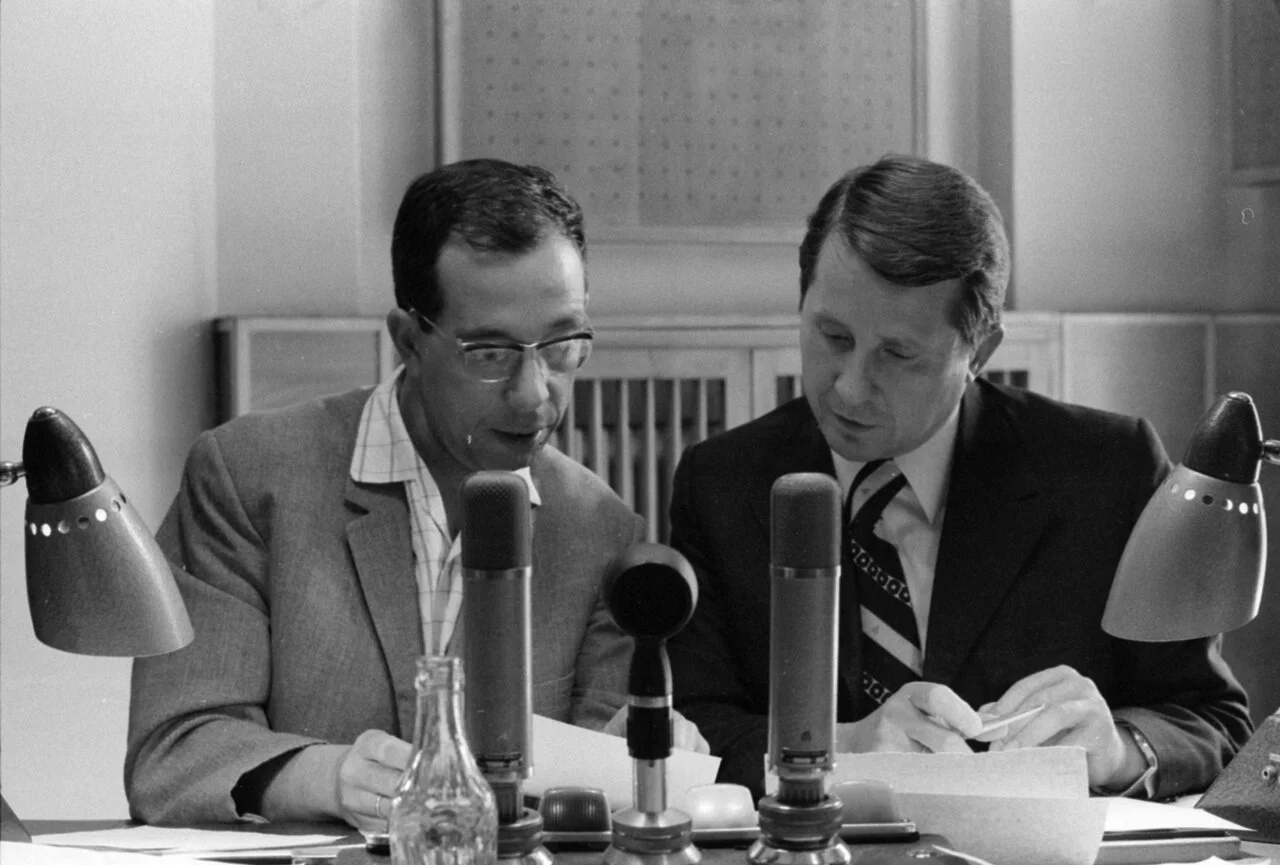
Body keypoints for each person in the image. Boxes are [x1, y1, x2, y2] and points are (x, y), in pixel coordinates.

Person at [126, 158, 703, 831]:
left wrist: (638, 752)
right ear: (409, 339)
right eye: (489, 353)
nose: (533, 394)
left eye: (560, 344)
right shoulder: (250, 478)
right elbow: (174, 753)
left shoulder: (598, 528)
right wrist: (326, 776)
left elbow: (585, 797)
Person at [665, 154, 1253, 801]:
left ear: (980, 351)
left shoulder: (1107, 469)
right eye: (832, 336)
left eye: (898, 354)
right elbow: (690, 727)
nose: (850, 387)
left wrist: (1117, 748)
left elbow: (1212, 719)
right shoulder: (722, 483)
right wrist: (842, 746)